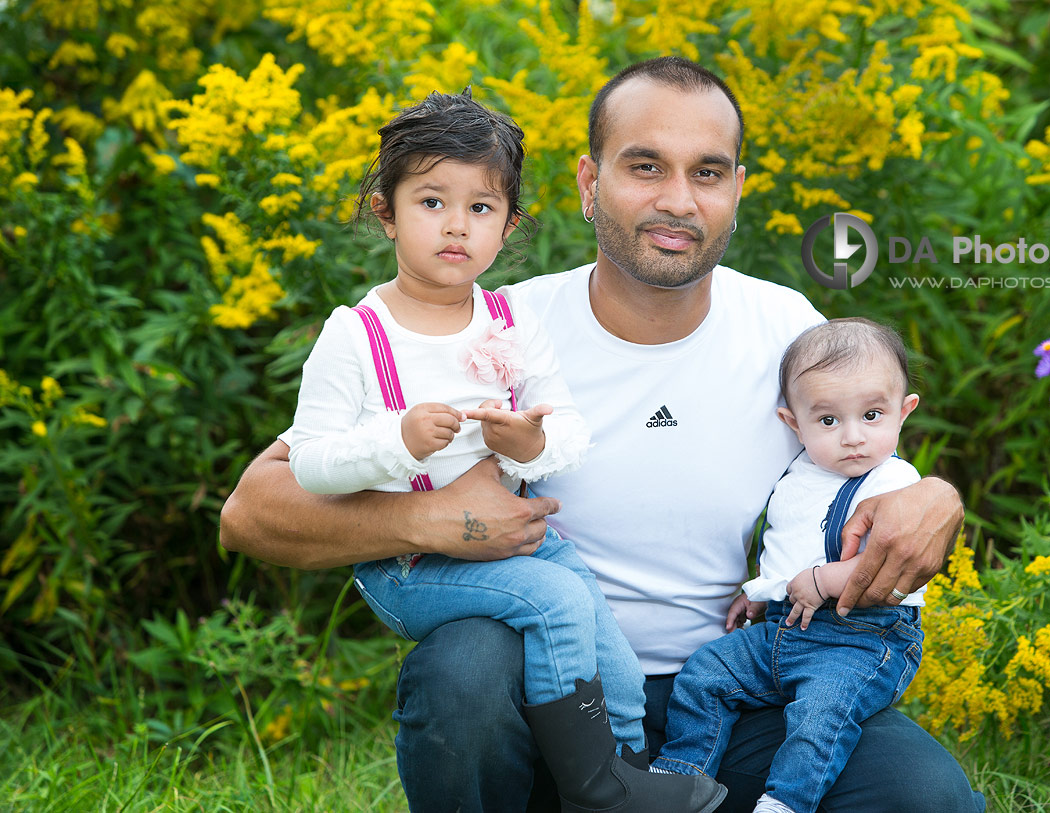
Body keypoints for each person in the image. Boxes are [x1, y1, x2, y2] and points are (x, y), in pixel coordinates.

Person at [220, 57, 984, 813]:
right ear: (590, 184)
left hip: (730, 685)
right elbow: (252, 510)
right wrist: (419, 517)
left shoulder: (786, 329)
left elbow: (872, 452)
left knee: (924, 795)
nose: (678, 200)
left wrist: (937, 495)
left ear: (737, 192)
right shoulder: (498, 327)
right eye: (646, 166)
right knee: (464, 667)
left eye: (708, 173)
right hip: (550, 700)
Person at [285, 89, 724, 813]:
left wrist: (530, 442)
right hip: (411, 566)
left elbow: (568, 430)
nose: (456, 226)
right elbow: (309, 462)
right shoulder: (357, 333)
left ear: (509, 226)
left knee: (598, 623)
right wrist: (393, 443)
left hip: (517, 541)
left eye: (481, 208)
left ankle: (627, 765)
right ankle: (595, 790)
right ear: (385, 211)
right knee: (555, 601)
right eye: (431, 202)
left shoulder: (507, 318)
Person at [651, 318, 930, 813]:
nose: (852, 437)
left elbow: (886, 563)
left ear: (903, 412)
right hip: (783, 632)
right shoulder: (798, 472)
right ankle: (680, 777)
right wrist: (760, 590)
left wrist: (821, 579)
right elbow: (788, 543)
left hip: (859, 639)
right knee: (705, 674)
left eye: (871, 415)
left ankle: (785, 802)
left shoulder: (894, 481)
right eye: (828, 421)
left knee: (821, 715)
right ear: (792, 424)